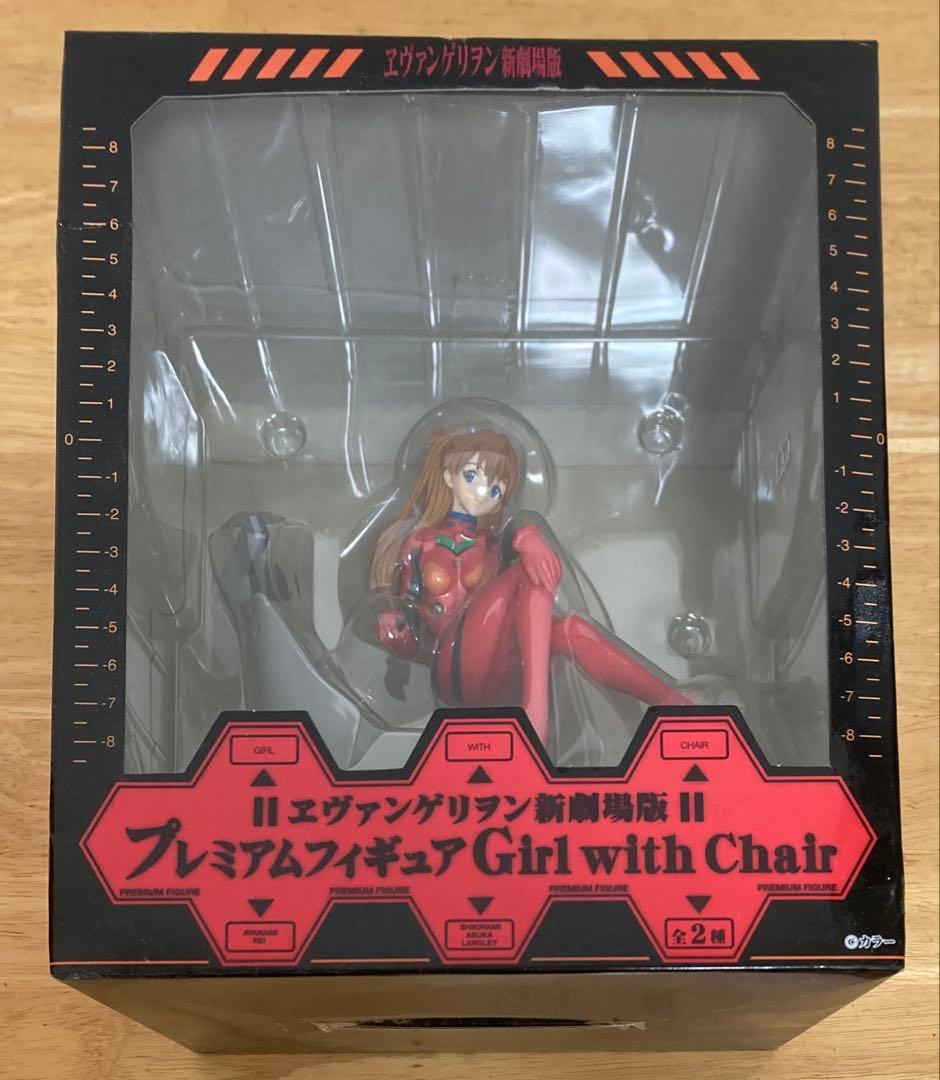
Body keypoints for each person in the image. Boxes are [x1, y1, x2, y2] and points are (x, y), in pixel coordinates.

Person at [371, 428, 690, 743]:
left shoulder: (494, 547)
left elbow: (516, 611)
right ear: (448, 476)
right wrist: (397, 635)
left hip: (500, 677)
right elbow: (412, 630)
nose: (483, 492)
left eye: (496, 489)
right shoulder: (420, 543)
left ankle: (676, 703)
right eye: (472, 476)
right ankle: (535, 715)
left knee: (574, 629)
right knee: (528, 569)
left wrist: (527, 535)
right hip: (452, 675)